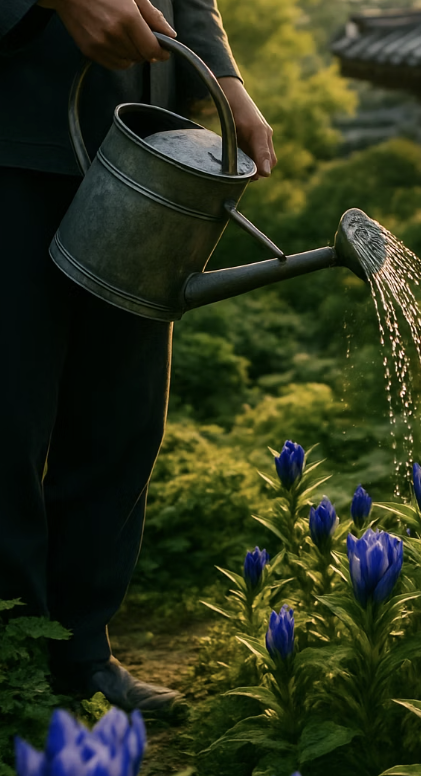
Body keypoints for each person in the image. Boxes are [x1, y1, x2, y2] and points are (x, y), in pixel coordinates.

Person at [0, 0, 276, 711]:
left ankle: (79, 652)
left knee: (121, 418)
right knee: (7, 421)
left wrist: (223, 77)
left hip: (143, 146)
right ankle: (11, 664)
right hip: (11, 124)